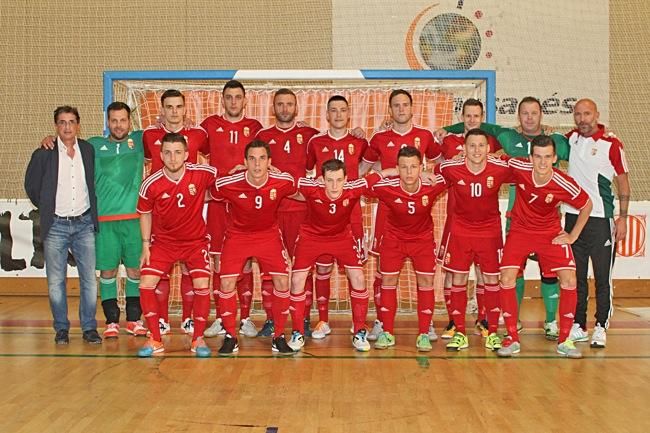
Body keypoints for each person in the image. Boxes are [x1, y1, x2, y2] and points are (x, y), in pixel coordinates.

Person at [441, 96, 570, 340]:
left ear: (542, 114)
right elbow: (476, 127)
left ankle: (550, 321)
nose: (529, 117)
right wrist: (448, 129)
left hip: (544, 221)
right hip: (513, 221)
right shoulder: (506, 137)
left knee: (549, 272)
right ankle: (502, 323)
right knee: (510, 273)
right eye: (524, 113)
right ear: (518, 117)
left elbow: (577, 146)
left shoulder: (553, 143)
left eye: (534, 112)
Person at [496, 135, 592, 359]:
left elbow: (587, 204)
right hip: (520, 231)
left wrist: (572, 236)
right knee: (507, 278)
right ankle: (512, 338)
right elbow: (495, 162)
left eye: (547, 157)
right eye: (537, 157)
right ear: (530, 157)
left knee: (569, 279)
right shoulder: (518, 166)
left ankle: (565, 340)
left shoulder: (562, 182)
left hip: (549, 233)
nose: (542, 163)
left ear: (555, 158)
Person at [288, 159, 395, 352]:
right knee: (296, 280)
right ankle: (297, 332)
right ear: (322, 179)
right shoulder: (311, 187)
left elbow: (377, 175)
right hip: (311, 237)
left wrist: (398, 170)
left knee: (358, 277)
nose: (334, 185)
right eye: (329, 180)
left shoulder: (353, 188)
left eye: (338, 180)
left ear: (346, 179)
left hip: (341, 238)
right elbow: (286, 180)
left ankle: (359, 332)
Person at [362, 89, 442, 342]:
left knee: (425, 275)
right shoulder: (379, 137)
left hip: (417, 209)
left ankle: (426, 326)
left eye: (405, 105)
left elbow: (442, 163)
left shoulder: (425, 136)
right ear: (390, 109)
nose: (401, 109)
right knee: (382, 272)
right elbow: (362, 169)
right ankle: (381, 321)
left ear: (411, 108)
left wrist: (429, 174)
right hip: (387, 211)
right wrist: (384, 172)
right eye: (396, 105)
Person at [210, 140, 296, 355]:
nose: (257, 164)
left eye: (262, 159)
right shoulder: (229, 183)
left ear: (270, 162)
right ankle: (231, 336)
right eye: (252, 159)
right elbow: (208, 193)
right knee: (226, 282)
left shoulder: (282, 180)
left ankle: (278, 336)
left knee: (283, 280)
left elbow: (302, 191)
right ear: (244, 161)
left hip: (268, 236)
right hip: (237, 236)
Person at [24, 106, 101, 345]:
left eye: (71, 122)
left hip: (84, 222)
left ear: (78, 125)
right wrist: (48, 205)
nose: (67, 127)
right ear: (56, 126)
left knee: (89, 278)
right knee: (56, 281)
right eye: (62, 122)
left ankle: (89, 328)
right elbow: (32, 187)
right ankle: (61, 329)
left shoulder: (88, 150)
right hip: (56, 224)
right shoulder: (43, 153)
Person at [136, 133, 217, 357]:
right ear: (160, 155)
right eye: (168, 153)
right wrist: (146, 245)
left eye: (178, 152)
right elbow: (144, 213)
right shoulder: (150, 184)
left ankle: (198, 338)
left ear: (187, 155)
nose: (173, 158)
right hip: (164, 243)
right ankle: (155, 339)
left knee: (202, 284)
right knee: (146, 283)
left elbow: (224, 179)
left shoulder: (202, 173)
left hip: (195, 242)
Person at [435, 129, 511, 351]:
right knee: (458, 279)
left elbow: (525, 170)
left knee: (491, 280)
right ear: (464, 149)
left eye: (481, 146)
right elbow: (435, 170)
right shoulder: (451, 168)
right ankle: (460, 332)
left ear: (488, 149)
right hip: (461, 232)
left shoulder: (499, 168)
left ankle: (493, 332)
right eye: (472, 146)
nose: (476, 150)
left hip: (490, 233)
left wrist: (504, 157)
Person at [142, 89, 209, 336]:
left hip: (189, 210)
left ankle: (188, 319)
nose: (174, 111)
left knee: (190, 269)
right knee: (161, 270)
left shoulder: (198, 133)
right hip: (160, 211)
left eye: (178, 107)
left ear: (185, 109)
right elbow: (147, 159)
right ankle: (160, 320)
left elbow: (210, 160)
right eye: (169, 107)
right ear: (162, 109)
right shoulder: (150, 134)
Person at [367, 147, 447, 351]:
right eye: (403, 167)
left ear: (421, 167)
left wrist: (432, 173)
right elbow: (362, 186)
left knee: (426, 281)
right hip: (393, 240)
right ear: (398, 169)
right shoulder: (387, 186)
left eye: (413, 167)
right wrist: (385, 172)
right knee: (388, 280)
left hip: (422, 240)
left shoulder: (432, 186)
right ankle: (387, 332)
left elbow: (452, 173)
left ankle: (423, 334)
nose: (409, 172)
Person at [565, 99, 630, 348]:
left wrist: (622, 217)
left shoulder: (612, 144)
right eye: (578, 114)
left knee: (602, 278)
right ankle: (579, 325)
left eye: (587, 114)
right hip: (573, 218)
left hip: (601, 220)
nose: (583, 119)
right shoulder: (571, 139)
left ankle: (601, 325)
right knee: (576, 277)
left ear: (597, 115)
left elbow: (623, 183)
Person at [201, 80, 263, 339]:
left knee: (246, 260)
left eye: (238, 97)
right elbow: (189, 144)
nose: (234, 102)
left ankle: (246, 318)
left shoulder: (255, 128)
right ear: (223, 100)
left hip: (245, 204)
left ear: (245, 100)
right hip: (217, 203)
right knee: (217, 261)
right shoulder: (209, 126)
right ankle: (221, 317)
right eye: (229, 97)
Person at [305, 95, 369, 340]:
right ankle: (322, 320)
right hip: (322, 217)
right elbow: (309, 171)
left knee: (356, 271)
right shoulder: (316, 142)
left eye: (343, 110)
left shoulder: (359, 141)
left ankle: (358, 323)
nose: (339, 115)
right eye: (334, 110)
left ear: (349, 113)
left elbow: (369, 167)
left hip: (351, 214)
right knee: (322, 268)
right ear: (327, 114)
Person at [256, 88, 319, 337]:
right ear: (273, 108)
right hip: (270, 213)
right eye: (280, 104)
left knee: (302, 269)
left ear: (296, 107)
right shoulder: (262, 136)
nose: (285, 108)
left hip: (302, 211)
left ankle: (302, 319)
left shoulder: (310, 135)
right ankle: (272, 319)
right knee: (271, 269)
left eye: (289, 104)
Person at [88, 102, 147, 338]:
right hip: (105, 221)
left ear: (129, 122)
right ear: (107, 122)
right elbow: (67, 145)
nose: (118, 125)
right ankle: (111, 321)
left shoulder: (141, 141)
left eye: (123, 120)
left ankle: (134, 320)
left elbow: (172, 135)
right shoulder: (93, 145)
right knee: (108, 272)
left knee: (135, 270)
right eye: (114, 120)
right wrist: (49, 139)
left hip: (134, 220)